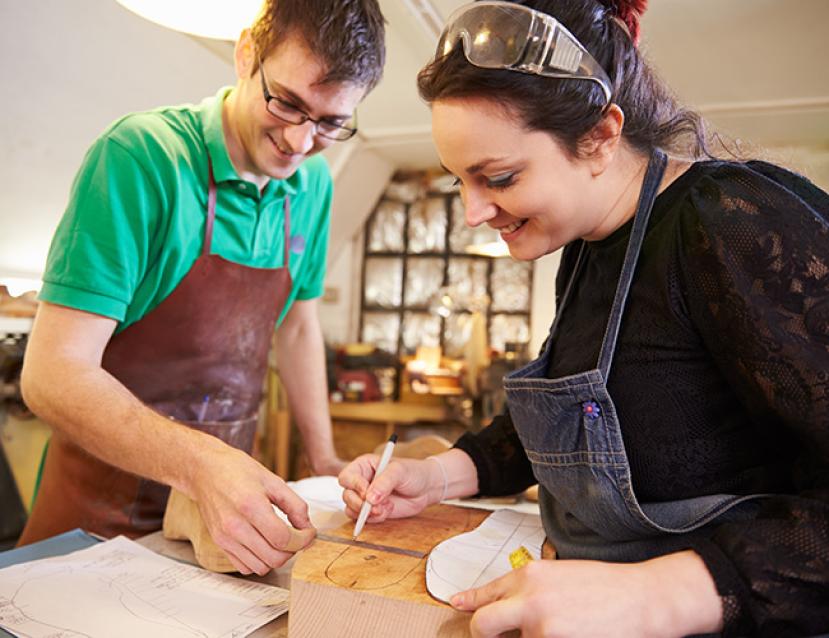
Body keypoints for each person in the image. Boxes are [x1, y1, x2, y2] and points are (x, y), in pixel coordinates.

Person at [339, 0, 829, 635]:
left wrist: (652, 595)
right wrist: (435, 475)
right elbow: (582, 427)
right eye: (459, 181)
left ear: (600, 135)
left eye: (500, 177)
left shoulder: (728, 221)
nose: (473, 213)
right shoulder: (586, 247)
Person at [18, 0, 386, 577]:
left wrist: (324, 459)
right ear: (246, 56)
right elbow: (50, 375)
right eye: (286, 102)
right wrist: (200, 463)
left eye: (330, 122)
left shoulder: (312, 184)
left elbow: (297, 326)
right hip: (94, 519)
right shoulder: (143, 158)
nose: (298, 140)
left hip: (222, 529)